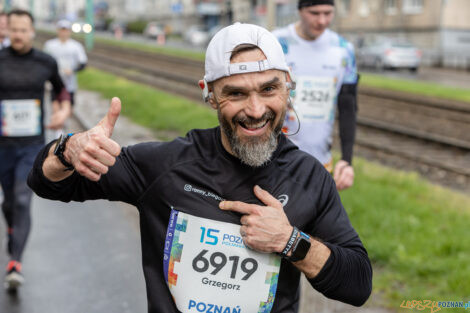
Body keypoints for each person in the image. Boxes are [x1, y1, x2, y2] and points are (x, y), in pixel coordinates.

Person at [28, 23, 371, 312]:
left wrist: (289, 240)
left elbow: (357, 285)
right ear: (209, 95)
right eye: (235, 94)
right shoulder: (166, 165)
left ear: (288, 85)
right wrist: (67, 150)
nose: (255, 109)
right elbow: (48, 183)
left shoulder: (308, 176)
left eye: (269, 89)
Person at [0, 9, 71, 291]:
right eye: (13, 29)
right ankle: (12, 230)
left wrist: (63, 110)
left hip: (31, 145)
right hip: (2, 145)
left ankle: (14, 263)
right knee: (8, 202)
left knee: (21, 198)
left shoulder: (45, 61)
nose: (18, 35)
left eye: (23, 29)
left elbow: (61, 90)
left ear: (32, 31)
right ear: (7, 31)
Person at [272, 0, 359, 191]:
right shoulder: (276, 43)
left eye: (328, 13)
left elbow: (348, 108)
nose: (322, 20)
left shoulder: (343, 49)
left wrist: (346, 159)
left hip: (320, 164)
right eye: (314, 13)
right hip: (275, 161)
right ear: (300, 10)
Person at [43, 19, 87, 107]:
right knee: (55, 107)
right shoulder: (50, 45)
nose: (64, 33)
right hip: (54, 83)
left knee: (69, 107)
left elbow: (83, 63)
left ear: (69, 31)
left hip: (70, 84)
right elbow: (44, 62)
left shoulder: (76, 46)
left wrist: (72, 70)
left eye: (66, 30)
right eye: (62, 30)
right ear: (58, 31)